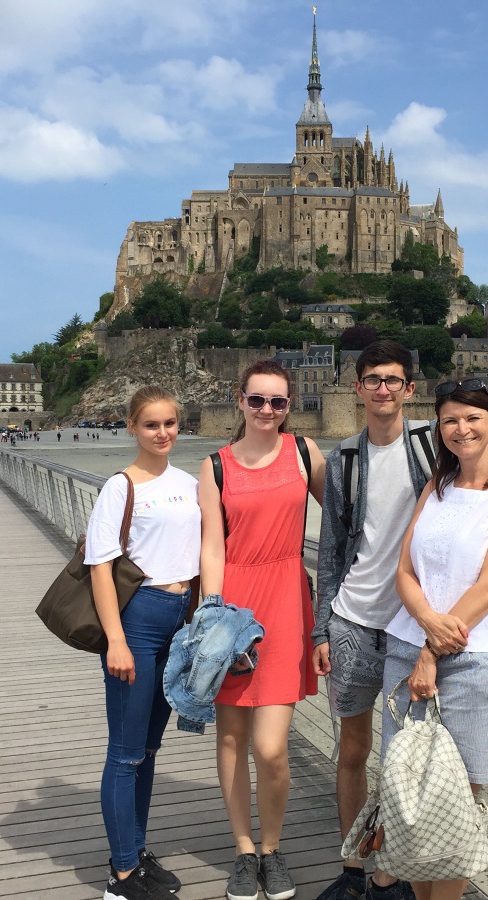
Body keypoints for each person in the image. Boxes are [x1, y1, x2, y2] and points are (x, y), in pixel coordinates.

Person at [313, 343, 488, 900]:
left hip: (440, 641)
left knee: (443, 790)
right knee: (374, 763)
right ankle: (359, 873)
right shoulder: (354, 462)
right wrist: (323, 626)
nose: (460, 429)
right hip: (369, 624)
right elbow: (337, 550)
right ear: (357, 387)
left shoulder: (434, 451)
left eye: (393, 380)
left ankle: (390, 880)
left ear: (409, 389)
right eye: (372, 379)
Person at [382, 379, 488, 900]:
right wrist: (426, 620)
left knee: (456, 801)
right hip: (407, 648)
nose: (461, 429)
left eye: (473, 418)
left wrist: (432, 648)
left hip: (475, 661)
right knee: (409, 794)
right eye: (450, 420)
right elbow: (404, 571)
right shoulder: (437, 486)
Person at [198, 360, 325, 900]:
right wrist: (212, 614)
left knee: (271, 747)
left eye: (277, 401)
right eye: (257, 400)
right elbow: (211, 546)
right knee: (231, 737)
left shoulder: (304, 453)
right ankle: (244, 850)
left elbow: (348, 521)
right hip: (233, 609)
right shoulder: (215, 466)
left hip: (286, 603)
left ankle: (272, 849)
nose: (266, 410)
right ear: (240, 400)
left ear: (289, 405)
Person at [85, 386, 201, 900]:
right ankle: (121, 874)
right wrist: (116, 640)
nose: (162, 433)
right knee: (126, 752)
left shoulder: (189, 483)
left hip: (180, 617)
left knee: (150, 749)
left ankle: (135, 850)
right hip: (138, 620)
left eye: (170, 423)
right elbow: (100, 567)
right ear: (131, 426)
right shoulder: (121, 486)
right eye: (151, 424)